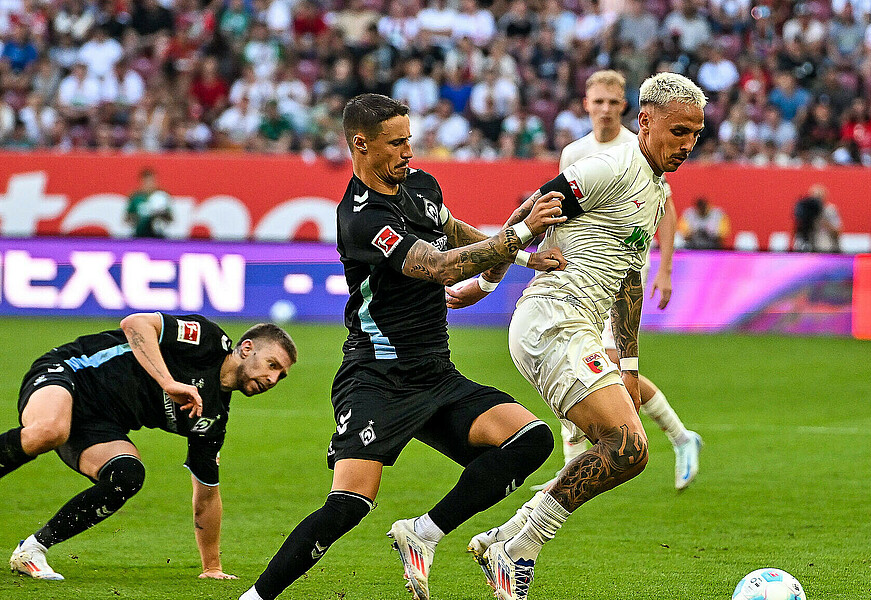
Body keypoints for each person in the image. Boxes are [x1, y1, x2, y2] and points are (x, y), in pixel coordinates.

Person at [238, 93, 568, 600]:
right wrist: (516, 235)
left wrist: (517, 251)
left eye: (409, 140)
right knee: (348, 505)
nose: (408, 152)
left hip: (435, 373)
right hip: (377, 377)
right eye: (396, 144)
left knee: (530, 441)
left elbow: (456, 237)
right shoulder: (360, 219)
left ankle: (423, 534)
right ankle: (256, 597)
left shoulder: (422, 186)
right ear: (361, 144)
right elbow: (438, 266)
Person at [457, 73, 707, 600]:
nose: (687, 144)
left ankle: (510, 541)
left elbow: (628, 283)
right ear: (645, 121)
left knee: (626, 450)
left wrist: (632, 364)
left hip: (581, 327)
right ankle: (516, 546)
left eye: (695, 135)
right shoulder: (608, 168)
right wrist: (487, 276)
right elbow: (535, 206)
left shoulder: (656, 189)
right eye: (678, 131)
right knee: (628, 446)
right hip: (553, 317)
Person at [0, 314, 296, 581]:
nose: (273, 378)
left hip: (98, 425)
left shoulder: (212, 417)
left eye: (281, 375)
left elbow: (207, 495)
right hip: (71, 371)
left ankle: (33, 548)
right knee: (50, 429)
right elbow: (135, 324)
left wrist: (211, 566)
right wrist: (168, 381)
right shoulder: (207, 340)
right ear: (247, 348)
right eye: (272, 364)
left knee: (128, 475)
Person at [125, 167, 174, 238]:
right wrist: (140, 216)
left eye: (151, 181)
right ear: (141, 182)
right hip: (139, 235)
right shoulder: (135, 197)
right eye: (146, 181)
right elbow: (127, 218)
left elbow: (170, 218)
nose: (149, 184)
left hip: (158, 235)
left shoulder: (162, 197)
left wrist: (160, 213)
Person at [793, 184, 841, 252]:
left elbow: (838, 231)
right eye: (815, 197)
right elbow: (799, 228)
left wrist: (823, 221)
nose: (817, 200)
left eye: (820, 197)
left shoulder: (830, 210)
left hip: (826, 247)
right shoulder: (806, 209)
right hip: (808, 246)